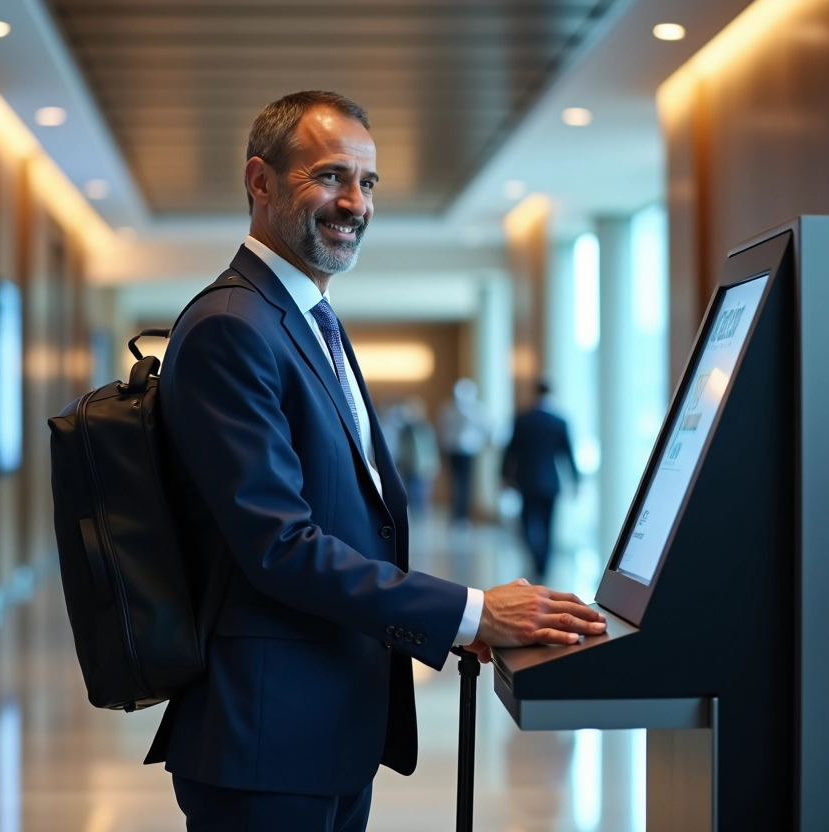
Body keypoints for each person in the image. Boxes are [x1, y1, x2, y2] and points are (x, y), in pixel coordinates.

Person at [150, 91, 605, 832]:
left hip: (322, 726)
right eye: (330, 177)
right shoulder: (232, 328)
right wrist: (469, 612)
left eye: (368, 183)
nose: (354, 203)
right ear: (259, 182)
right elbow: (279, 546)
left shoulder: (307, 318)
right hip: (267, 741)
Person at [502, 381, 579, 577]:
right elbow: (567, 455)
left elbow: (510, 451)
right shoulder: (559, 421)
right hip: (551, 482)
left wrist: (503, 475)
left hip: (526, 480)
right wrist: (576, 479)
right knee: (548, 525)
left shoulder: (522, 419)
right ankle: (543, 564)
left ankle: (536, 558)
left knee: (527, 524)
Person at [437, 378, 491, 523]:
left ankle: (463, 514)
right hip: (453, 450)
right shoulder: (448, 409)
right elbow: (443, 430)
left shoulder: (477, 410)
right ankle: (456, 513)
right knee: (455, 482)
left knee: (466, 483)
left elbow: (487, 427)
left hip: (469, 451)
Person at [393, 397, 440, 515]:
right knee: (409, 490)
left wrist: (433, 464)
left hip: (422, 465)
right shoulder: (405, 429)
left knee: (420, 491)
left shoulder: (425, 428)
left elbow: (431, 447)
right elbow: (401, 447)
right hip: (408, 464)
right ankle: (413, 512)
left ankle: (419, 514)